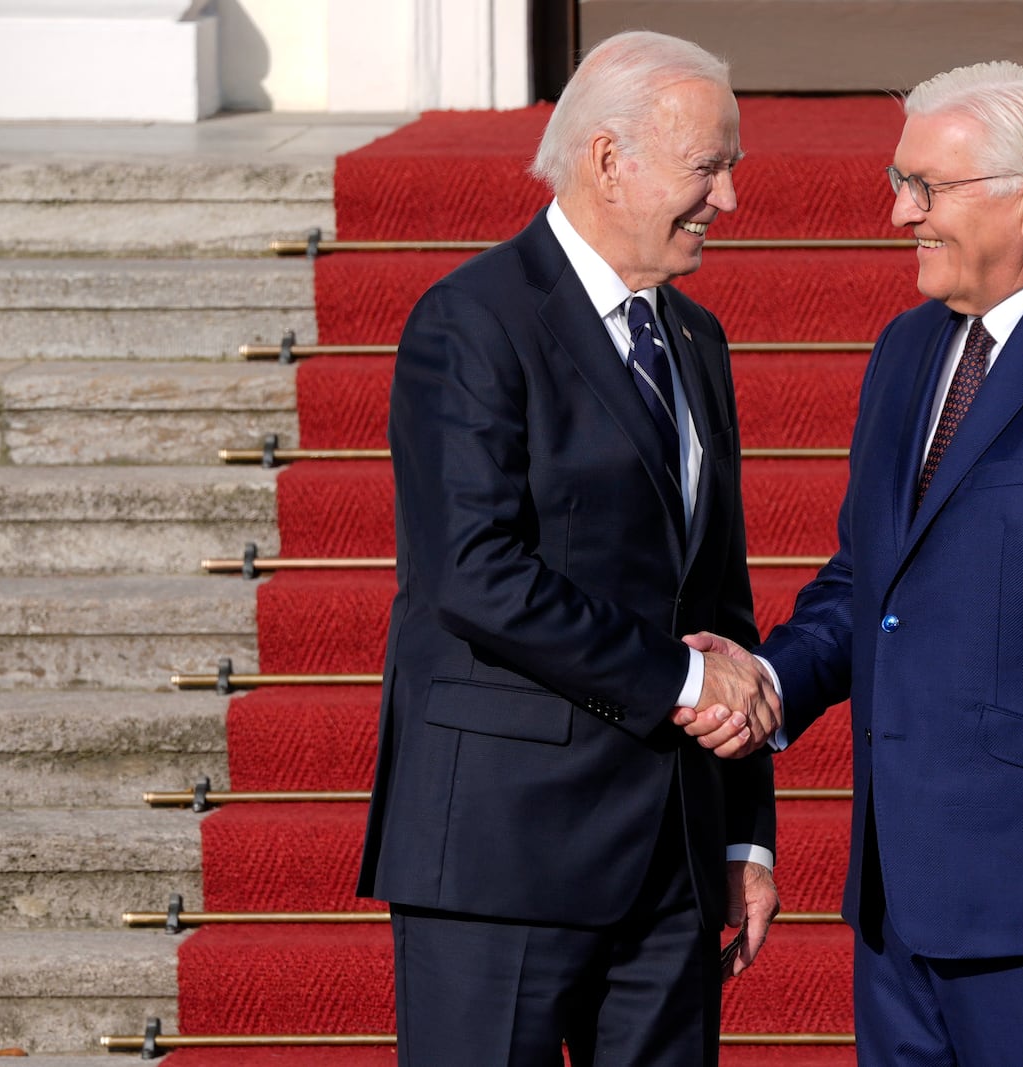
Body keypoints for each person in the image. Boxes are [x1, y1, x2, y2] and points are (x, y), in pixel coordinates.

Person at [679, 60, 1023, 1064]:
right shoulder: (905, 350)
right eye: (901, 183)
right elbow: (870, 582)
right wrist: (766, 678)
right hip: (898, 911)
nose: (899, 214)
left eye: (926, 188)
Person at [356, 30, 782, 1067]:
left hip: (670, 862)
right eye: (707, 166)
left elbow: (719, 599)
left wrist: (740, 832)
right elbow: (474, 569)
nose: (726, 198)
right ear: (607, 159)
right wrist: (679, 679)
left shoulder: (696, 338)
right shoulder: (471, 321)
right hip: (503, 851)